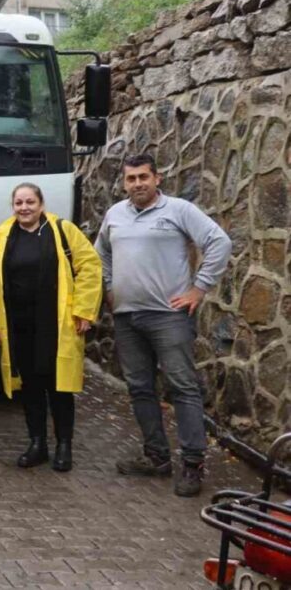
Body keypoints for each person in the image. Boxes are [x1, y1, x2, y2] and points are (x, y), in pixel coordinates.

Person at [96, 154, 231, 497]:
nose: (137, 183)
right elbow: (100, 255)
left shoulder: (178, 210)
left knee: (182, 387)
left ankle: (193, 464)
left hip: (168, 316)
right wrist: (110, 289)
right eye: (131, 178)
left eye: (143, 176)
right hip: (127, 318)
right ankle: (156, 456)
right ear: (124, 183)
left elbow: (219, 242)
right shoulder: (115, 214)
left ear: (157, 178)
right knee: (140, 387)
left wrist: (198, 288)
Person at [0, 183, 102, 472]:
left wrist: (84, 310)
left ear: (41, 204)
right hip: (18, 324)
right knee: (30, 386)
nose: (24, 208)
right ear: (13, 206)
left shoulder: (62, 230)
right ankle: (37, 444)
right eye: (19, 203)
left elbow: (90, 266)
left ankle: (64, 445)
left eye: (30, 202)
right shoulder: (1, 236)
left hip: (56, 322)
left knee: (59, 387)